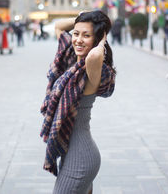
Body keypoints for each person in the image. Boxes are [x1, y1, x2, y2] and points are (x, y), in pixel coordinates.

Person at [40, 10, 116, 194]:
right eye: (76, 33)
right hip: (73, 152)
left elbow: (95, 56)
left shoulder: (91, 69)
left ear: (97, 39)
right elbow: (59, 26)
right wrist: (83, 19)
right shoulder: (71, 60)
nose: (78, 40)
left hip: (81, 157)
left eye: (86, 35)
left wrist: (102, 36)